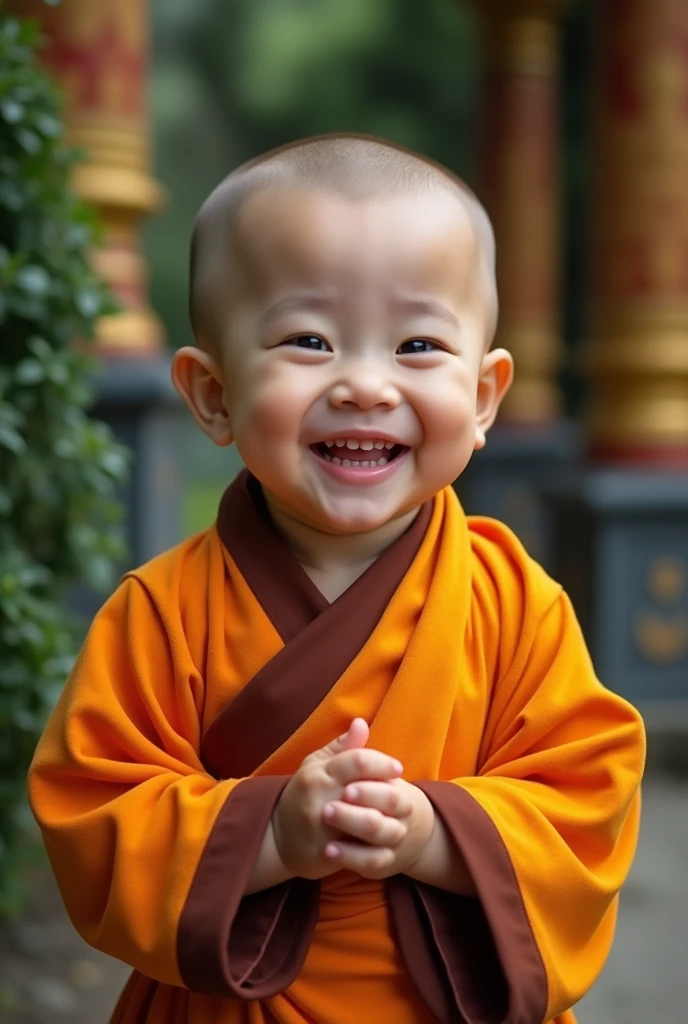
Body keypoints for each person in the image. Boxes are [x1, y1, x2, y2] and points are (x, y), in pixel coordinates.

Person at [28, 134, 645, 1024]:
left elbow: (588, 792)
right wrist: (272, 833)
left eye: (419, 344)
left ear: (483, 398)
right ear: (212, 395)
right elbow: (93, 808)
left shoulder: (516, 602)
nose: (364, 384)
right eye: (309, 340)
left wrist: (436, 834)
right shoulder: (160, 614)